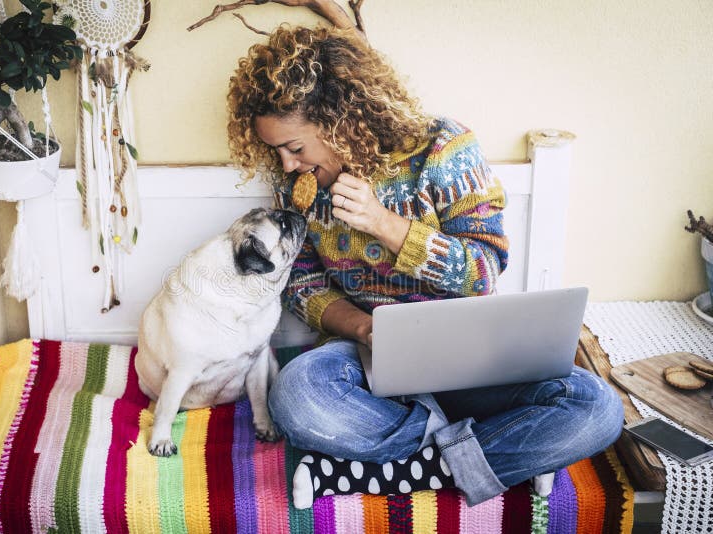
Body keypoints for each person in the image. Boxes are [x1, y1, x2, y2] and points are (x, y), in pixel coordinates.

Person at [226, 24, 623, 507]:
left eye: (295, 148)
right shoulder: (299, 188)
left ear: (336, 122)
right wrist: (364, 327)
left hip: (470, 359)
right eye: (277, 152)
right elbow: (302, 283)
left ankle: (389, 469)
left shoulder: (442, 148)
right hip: (365, 367)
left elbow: (483, 270)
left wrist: (383, 223)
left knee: (596, 407)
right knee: (297, 396)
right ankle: (493, 457)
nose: (287, 166)